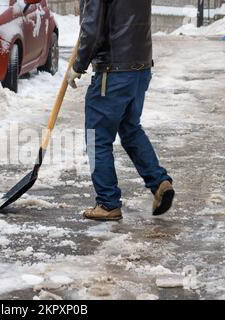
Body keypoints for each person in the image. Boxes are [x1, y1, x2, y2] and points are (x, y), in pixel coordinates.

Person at [68, 0, 175, 221]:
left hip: (113, 71)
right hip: (140, 68)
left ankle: (107, 203)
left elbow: (92, 29)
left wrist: (79, 65)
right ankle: (158, 182)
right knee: (130, 128)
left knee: (96, 138)